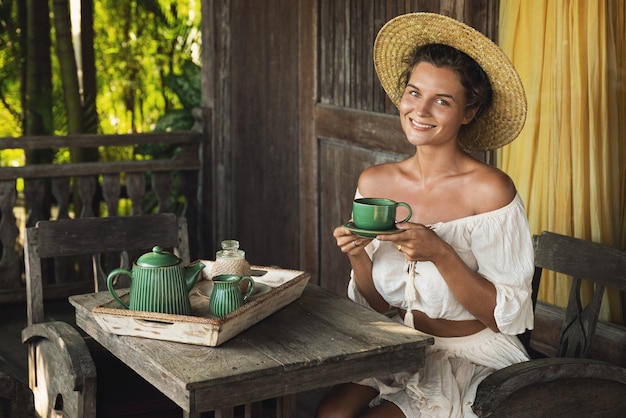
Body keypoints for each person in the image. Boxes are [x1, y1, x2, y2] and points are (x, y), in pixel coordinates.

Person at [316, 12, 534, 418]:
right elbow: (379, 307)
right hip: (401, 346)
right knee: (330, 414)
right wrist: (357, 254)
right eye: (414, 93)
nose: (421, 109)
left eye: (443, 100)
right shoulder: (376, 183)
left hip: (473, 359)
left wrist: (441, 252)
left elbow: (506, 318)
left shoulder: (490, 191)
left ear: (468, 113)